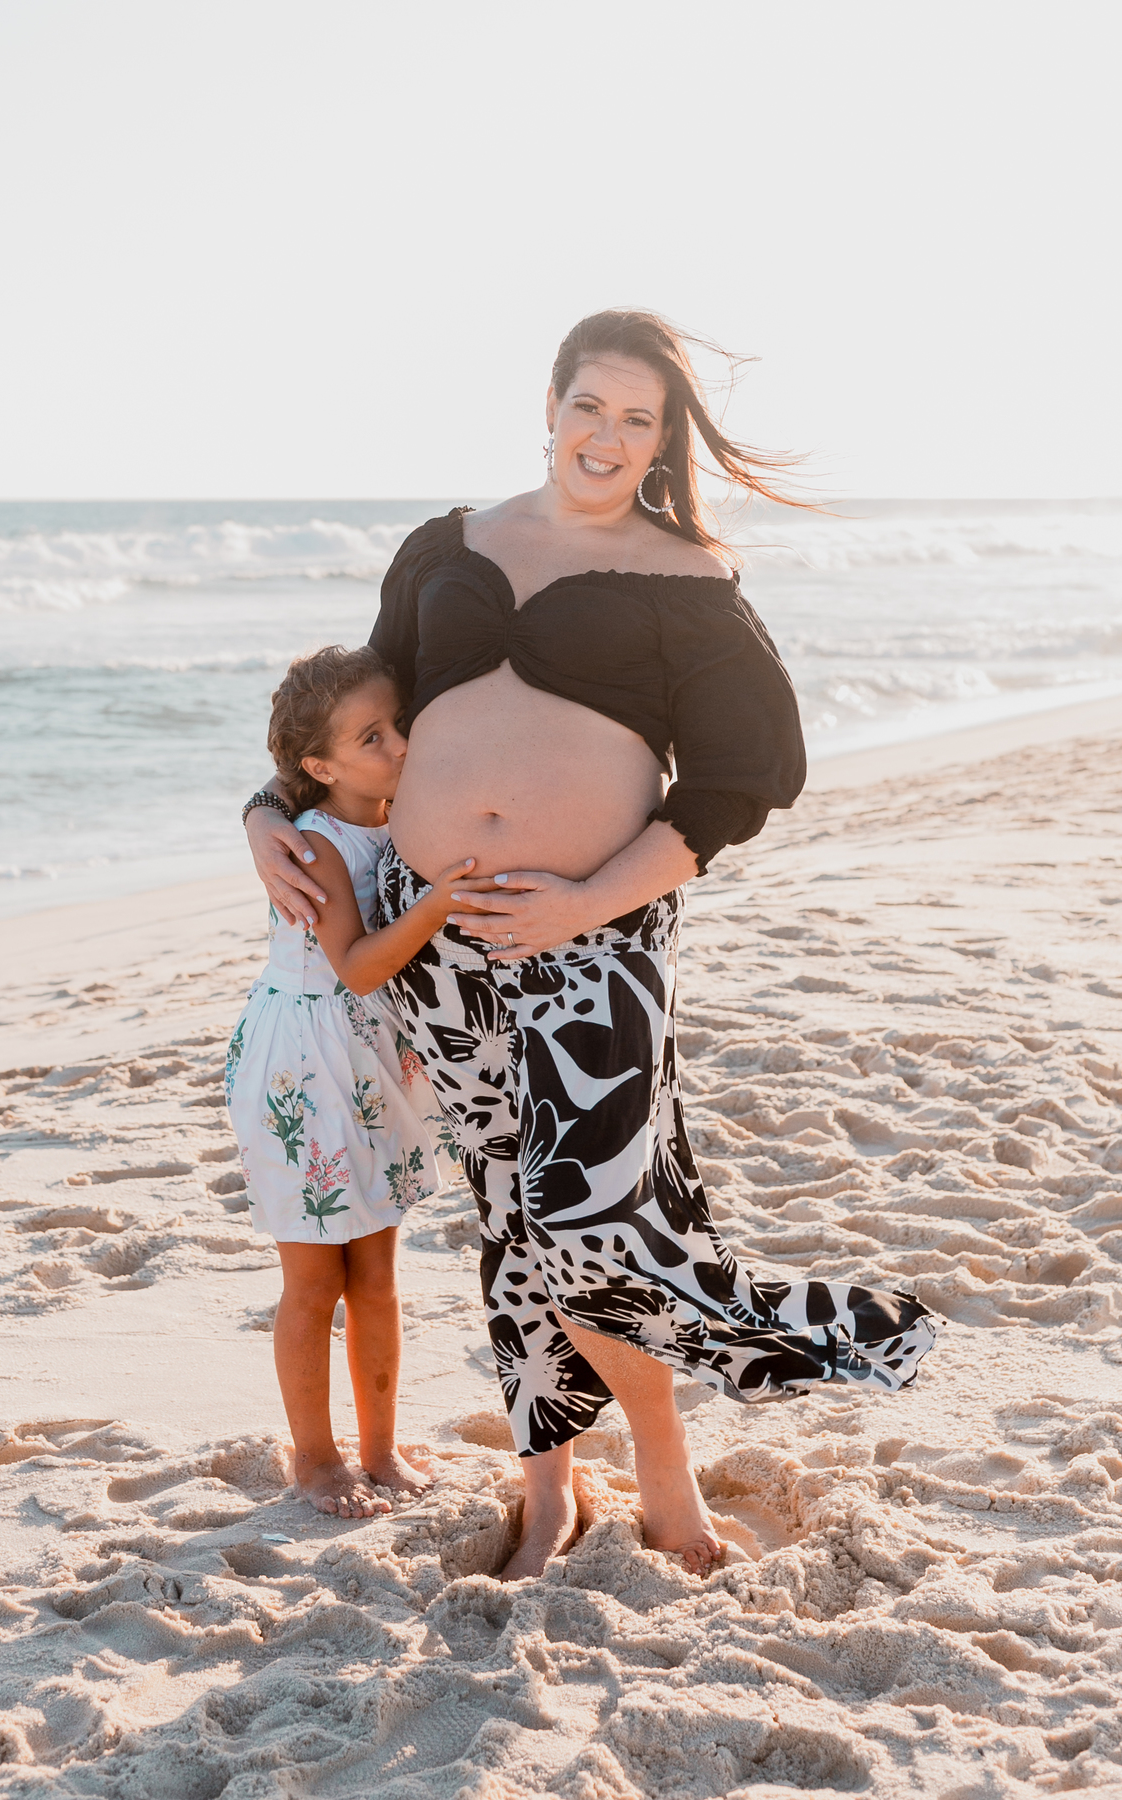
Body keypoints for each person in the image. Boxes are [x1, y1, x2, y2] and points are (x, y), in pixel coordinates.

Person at [244, 310, 942, 1574]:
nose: (607, 437)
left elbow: (743, 781)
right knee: (510, 1212)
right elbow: (354, 720)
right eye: (590, 407)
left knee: (593, 1222)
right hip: (437, 939)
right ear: (550, 405)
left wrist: (582, 904)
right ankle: (551, 1487)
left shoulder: (689, 580)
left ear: (664, 438)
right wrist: (264, 813)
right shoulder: (441, 549)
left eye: (639, 418)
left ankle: (669, 1483)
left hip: (595, 937)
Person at [227, 645, 469, 1517]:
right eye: (373, 737)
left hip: (370, 1060)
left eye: (399, 723)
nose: (400, 744)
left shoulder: (397, 810)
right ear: (319, 767)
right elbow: (361, 966)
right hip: (306, 1059)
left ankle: (379, 1446)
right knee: (313, 1280)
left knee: (376, 1272)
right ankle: (315, 1457)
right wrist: (438, 903)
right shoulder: (317, 844)